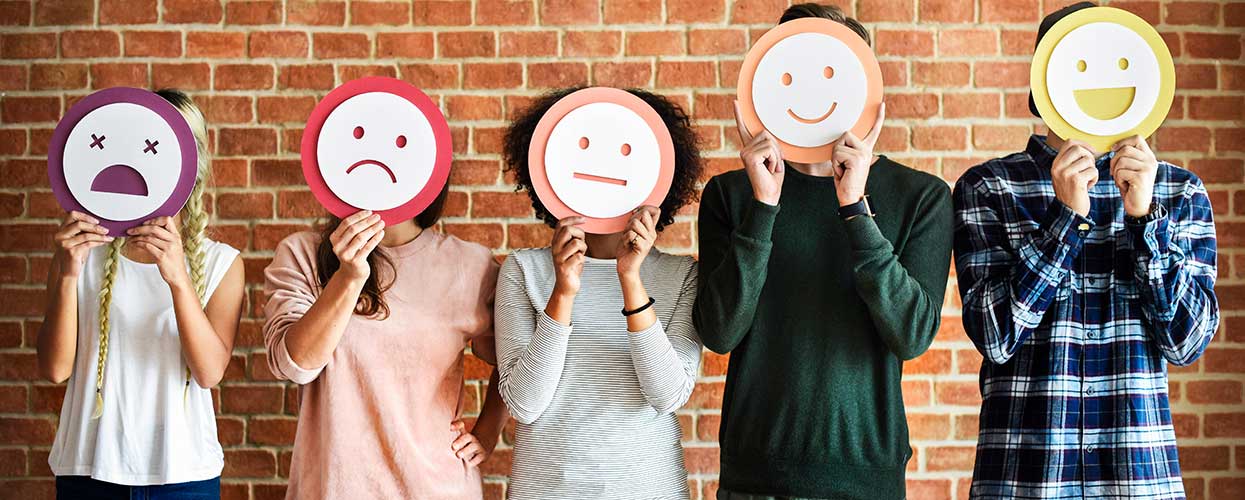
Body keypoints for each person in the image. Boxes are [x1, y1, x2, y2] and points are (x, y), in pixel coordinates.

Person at [953, 3, 1219, 498]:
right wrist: (1065, 219)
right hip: (1024, 481)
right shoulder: (988, 187)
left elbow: (1188, 344)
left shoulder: (1179, 193)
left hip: (1140, 478)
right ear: (1044, 83)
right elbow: (994, 336)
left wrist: (1144, 221)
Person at [693, 4, 955, 499]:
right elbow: (720, 332)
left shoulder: (923, 197)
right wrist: (764, 205)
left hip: (865, 479)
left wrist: (855, 207)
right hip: (754, 480)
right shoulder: (731, 195)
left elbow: (913, 335)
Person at [494, 87, 704, 499]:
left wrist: (630, 278)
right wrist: (564, 292)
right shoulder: (523, 270)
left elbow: (666, 396)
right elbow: (524, 403)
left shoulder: (682, 275)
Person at [38, 89, 245, 499]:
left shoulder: (222, 263)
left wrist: (179, 279)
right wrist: (67, 274)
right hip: (88, 468)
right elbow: (54, 368)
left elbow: (209, 372)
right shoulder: (81, 253)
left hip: (184, 474)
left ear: (191, 166)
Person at [262, 185, 507, 499]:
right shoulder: (301, 254)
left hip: (436, 488)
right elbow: (294, 365)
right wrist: (349, 276)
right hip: (333, 488)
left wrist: (486, 433)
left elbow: (516, 360)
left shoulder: (470, 265)